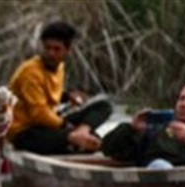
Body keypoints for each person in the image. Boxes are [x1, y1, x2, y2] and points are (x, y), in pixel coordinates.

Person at [6, 21, 112, 154]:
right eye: (47, 48)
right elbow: (38, 114)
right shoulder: (30, 72)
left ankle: (81, 132)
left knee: (103, 106)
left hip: (47, 125)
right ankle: (74, 137)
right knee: (86, 142)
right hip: (25, 132)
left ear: (67, 50)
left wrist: (67, 96)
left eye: (57, 49)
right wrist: (67, 127)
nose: (51, 53)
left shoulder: (58, 66)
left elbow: (47, 96)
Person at [101, 82, 185, 168]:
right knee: (160, 165)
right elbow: (108, 149)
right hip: (157, 175)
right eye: (181, 99)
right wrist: (130, 129)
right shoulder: (156, 127)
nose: (183, 104)